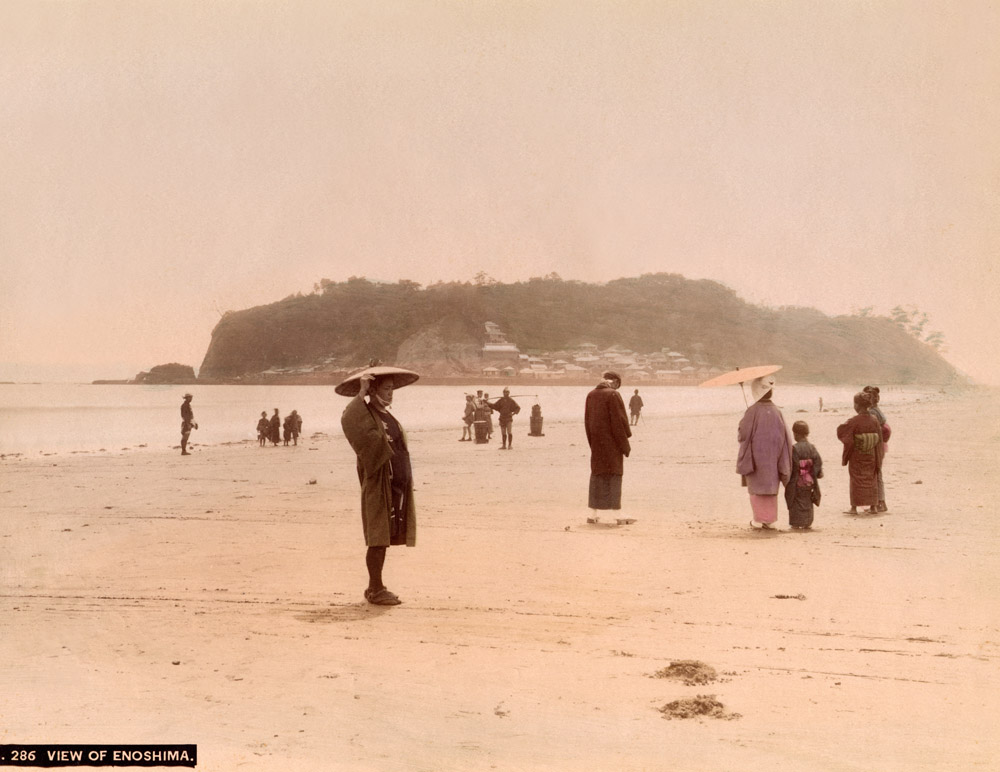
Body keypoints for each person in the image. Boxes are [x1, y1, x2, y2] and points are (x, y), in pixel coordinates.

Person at [339, 365, 419, 606]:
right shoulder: (365, 413)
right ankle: (375, 588)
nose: (390, 393)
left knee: (385, 534)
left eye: (392, 389)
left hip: (395, 485)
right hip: (378, 484)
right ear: (374, 390)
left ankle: (377, 586)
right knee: (378, 535)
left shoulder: (386, 415)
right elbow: (348, 418)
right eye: (386, 389)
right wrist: (362, 392)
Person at [737, 374, 792, 530]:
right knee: (771, 486)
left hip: (756, 457)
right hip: (774, 457)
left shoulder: (752, 411)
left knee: (757, 487)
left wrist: (743, 423)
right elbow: (785, 435)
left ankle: (759, 519)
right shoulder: (777, 411)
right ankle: (770, 520)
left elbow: (743, 435)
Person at [584, 371, 632, 520]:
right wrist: (625, 445)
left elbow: (587, 422)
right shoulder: (613, 395)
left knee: (597, 474)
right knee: (615, 475)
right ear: (616, 382)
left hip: (597, 443)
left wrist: (592, 443)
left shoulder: (591, 394)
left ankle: (592, 513)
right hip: (612, 444)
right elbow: (619, 422)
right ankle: (617, 514)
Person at [837, 392, 884, 515]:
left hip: (857, 456)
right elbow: (879, 439)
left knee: (856, 480)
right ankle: (873, 506)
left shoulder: (854, 421)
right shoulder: (874, 420)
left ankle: (854, 508)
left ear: (857, 405)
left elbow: (842, 432)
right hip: (871, 455)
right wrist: (879, 456)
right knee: (871, 479)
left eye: (855, 403)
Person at [784, 420, 823, 530]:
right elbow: (818, 462)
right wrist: (816, 473)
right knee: (808, 501)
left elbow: (792, 466)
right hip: (810, 480)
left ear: (796, 434)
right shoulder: (812, 447)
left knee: (796, 501)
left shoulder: (794, 448)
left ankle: (796, 523)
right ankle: (807, 523)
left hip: (797, 481)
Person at [863, 385, 889, 512]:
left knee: (876, 473)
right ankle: (880, 502)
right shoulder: (877, 411)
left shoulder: (872, 412)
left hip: (876, 446)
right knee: (877, 472)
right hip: (881, 445)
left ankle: (880, 502)